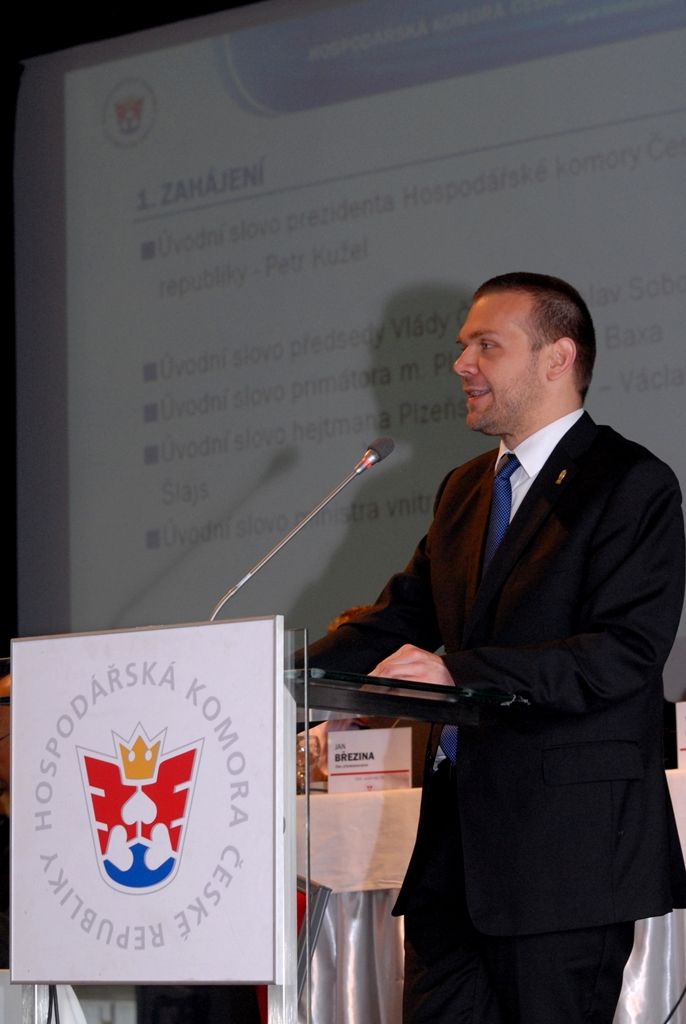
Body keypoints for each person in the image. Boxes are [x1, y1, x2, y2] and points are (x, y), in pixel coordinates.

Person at [304, 272, 686, 1023]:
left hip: (566, 863)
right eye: (462, 346)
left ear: (556, 358)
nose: (461, 364)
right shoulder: (465, 490)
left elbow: (622, 655)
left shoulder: (630, 483)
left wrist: (456, 671)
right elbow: (397, 619)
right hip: (456, 864)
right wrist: (274, 678)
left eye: (486, 345)